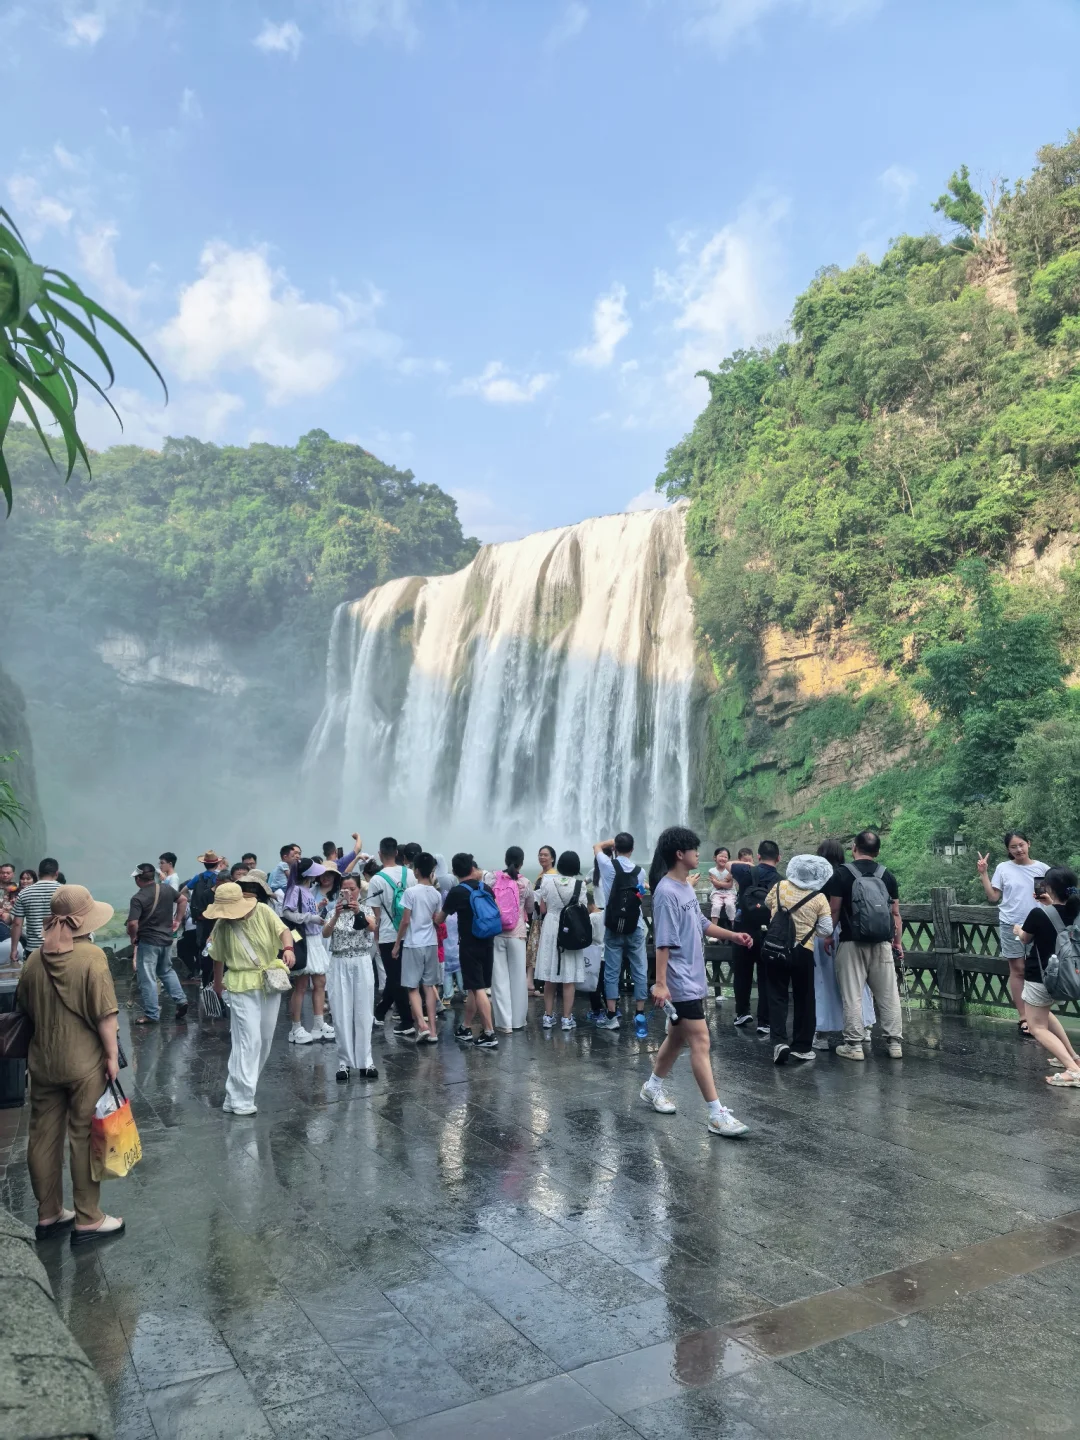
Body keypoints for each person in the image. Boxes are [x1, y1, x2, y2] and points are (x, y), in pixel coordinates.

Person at [16, 885, 124, 1245]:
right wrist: (111, 1057)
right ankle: (88, 1219)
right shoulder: (92, 956)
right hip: (84, 1063)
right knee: (81, 1136)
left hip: (43, 1061)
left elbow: (25, 1009)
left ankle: (47, 1215)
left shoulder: (34, 958)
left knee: (42, 1137)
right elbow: (105, 1015)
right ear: (86, 920)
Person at [641, 827, 752, 1136]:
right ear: (680, 854)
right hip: (680, 981)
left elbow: (702, 923)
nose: (698, 855)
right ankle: (716, 1114)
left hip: (692, 975)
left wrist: (733, 936)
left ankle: (652, 1087)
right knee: (701, 1041)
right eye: (694, 850)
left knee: (677, 1038)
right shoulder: (665, 892)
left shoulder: (684, 887)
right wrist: (661, 984)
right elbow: (662, 942)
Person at [206, 881, 296, 1115]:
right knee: (249, 1040)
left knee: (264, 1039)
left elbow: (283, 930)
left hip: (268, 980)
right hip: (240, 983)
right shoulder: (222, 925)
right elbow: (217, 957)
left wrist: (288, 948)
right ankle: (244, 1099)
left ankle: (234, 1094)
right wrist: (218, 983)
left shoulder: (263, 911)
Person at [823, 829, 904, 1061]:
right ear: (877, 852)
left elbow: (835, 909)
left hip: (851, 943)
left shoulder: (842, 874)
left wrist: (829, 935)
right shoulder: (887, 875)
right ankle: (895, 1044)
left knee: (853, 995)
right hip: (882, 943)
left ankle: (854, 1046)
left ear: (854, 848)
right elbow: (895, 913)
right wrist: (897, 942)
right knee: (888, 995)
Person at [977, 831, 1050, 1040]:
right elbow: (993, 897)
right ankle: (1024, 1017)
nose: (1018, 850)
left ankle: (1041, 1017)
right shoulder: (1003, 868)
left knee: (1038, 970)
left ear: (1029, 843)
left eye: (1021, 845)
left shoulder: (1042, 868)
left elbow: (1046, 897)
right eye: (1013, 847)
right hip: (1011, 923)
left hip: (1037, 924)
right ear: (1008, 850)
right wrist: (983, 873)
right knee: (1018, 970)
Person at [763, 854, 834, 1063]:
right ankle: (802, 1046)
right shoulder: (819, 898)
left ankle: (779, 1042)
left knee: (777, 995)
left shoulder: (779, 887)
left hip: (775, 947)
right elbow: (825, 929)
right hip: (803, 951)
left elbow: (768, 904)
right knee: (804, 997)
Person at [1013, 866, 1080, 1086]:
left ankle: (1073, 1071)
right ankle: (1072, 1058)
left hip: (1040, 975)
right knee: (1044, 1014)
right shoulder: (1076, 911)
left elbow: (1025, 938)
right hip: (1068, 974)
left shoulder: (1038, 913)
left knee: (1036, 1027)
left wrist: (1017, 930)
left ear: (1048, 888)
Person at [811, 838, 875, 1050]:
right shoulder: (848, 874)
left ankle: (822, 1033)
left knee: (824, 981)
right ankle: (864, 1027)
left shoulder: (816, 878)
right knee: (857, 981)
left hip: (823, 932)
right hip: (849, 933)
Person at [322, 873, 378, 1082]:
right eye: (344, 890)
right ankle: (344, 1062)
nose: (348, 893)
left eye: (352, 889)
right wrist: (336, 916)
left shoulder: (365, 909)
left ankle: (366, 1060)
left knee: (364, 1011)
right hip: (339, 962)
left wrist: (357, 911)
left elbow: (372, 927)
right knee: (341, 1011)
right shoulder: (332, 911)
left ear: (358, 889)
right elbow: (326, 934)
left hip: (361, 960)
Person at [593, 833, 649, 1037]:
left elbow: (596, 846)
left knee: (611, 970)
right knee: (640, 968)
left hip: (613, 926)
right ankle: (640, 1014)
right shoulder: (640, 871)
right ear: (633, 850)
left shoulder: (607, 866)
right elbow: (640, 894)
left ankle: (611, 1016)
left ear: (615, 849)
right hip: (636, 926)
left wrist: (610, 843)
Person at [442, 853, 499, 1048]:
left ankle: (489, 1033)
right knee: (476, 987)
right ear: (472, 868)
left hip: (469, 944)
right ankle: (466, 1027)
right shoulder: (487, 888)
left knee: (478, 988)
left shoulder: (457, 892)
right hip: (488, 941)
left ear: (455, 871)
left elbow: (440, 918)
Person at [535, 850, 591, 1032]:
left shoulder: (546, 881)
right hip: (570, 929)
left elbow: (542, 908)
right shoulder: (579, 885)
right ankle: (566, 1018)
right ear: (576, 867)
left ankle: (548, 1016)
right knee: (569, 978)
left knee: (550, 976)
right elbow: (582, 909)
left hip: (551, 928)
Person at [127, 863, 189, 1024]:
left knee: (147, 977)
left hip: (148, 942)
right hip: (166, 939)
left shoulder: (137, 898)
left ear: (138, 879)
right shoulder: (166, 889)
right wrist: (178, 920)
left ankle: (152, 1014)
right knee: (166, 970)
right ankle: (181, 1000)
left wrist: (133, 938)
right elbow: (183, 900)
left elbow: (133, 923)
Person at [281, 859, 335, 1044]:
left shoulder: (306, 891)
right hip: (303, 939)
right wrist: (311, 917)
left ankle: (318, 1023)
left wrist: (317, 910)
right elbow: (287, 912)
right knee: (302, 985)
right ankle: (296, 1027)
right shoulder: (295, 889)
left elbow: (301, 911)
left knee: (320, 981)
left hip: (314, 938)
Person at [391, 851, 443, 1045]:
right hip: (431, 943)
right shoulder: (436, 894)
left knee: (412, 987)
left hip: (413, 944)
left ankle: (422, 1025)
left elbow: (405, 921)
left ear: (416, 870)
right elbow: (437, 919)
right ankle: (434, 1031)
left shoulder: (410, 892)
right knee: (429, 986)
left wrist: (397, 945)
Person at [730, 842, 781, 1035]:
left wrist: (749, 866)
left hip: (743, 930)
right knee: (766, 977)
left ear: (758, 856)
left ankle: (742, 1012)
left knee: (742, 972)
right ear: (779, 857)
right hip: (769, 933)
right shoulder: (780, 880)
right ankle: (764, 1022)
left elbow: (728, 865)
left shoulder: (745, 872)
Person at [369, 838, 417, 1037]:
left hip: (389, 934)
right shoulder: (411, 874)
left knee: (395, 977)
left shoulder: (376, 879)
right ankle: (380, 1012)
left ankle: (407, 1021)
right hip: (411, 932)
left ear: (380, 854)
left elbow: (377, 916)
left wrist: (377, 940)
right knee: (395, 976)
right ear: (397, 852)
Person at [488, 846, 533, 1033]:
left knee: (499, 979)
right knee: (518, 978)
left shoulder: (492, 878)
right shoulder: (525, 882)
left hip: (497, 932)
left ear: (506, 860)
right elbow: (530, 909)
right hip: (517, 934)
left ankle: (504, 1023)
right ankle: (518, 1021)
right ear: (522, 862)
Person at [8, 858, 62, 961]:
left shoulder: (24, 893)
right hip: (58, 948)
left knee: (33, 977)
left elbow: (17, 924)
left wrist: (14, 949)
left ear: (38, 873)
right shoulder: (65, 891)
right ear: (56, 873)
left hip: (33, 949)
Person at [184, 851, 223, 988]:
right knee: (217, 943)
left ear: (204, 864)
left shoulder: (198, 877)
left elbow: (184, 890)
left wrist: (190, 901)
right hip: (216, 916)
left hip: (200, 917)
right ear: (217, 863)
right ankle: (216, 976)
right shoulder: (219, 878)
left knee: (202, 945)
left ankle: (203, 974)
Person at [526, 844, 557, 996]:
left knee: (541, 948)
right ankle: (532, 982)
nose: (542, 857)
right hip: (538, 917)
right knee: (535, 948)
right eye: (540, 855)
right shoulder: (542, 873)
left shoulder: (552, 875)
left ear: (552, 858)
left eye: (545, 855)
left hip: (545, 918)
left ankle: (539, 982)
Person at [709, 848, 737, 925]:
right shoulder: (712, 871)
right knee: (716, 906)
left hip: (730, 892)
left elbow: (730, 886)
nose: (723, 859)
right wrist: (724, 881)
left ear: (728, 859)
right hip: (717, 893)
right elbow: (717, 887)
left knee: (730, 905)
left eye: (725, 857)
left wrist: (718, 882)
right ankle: (714, 928)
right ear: (715, 857)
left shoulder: (730, 870)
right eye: (721, 856)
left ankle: (734, 925)